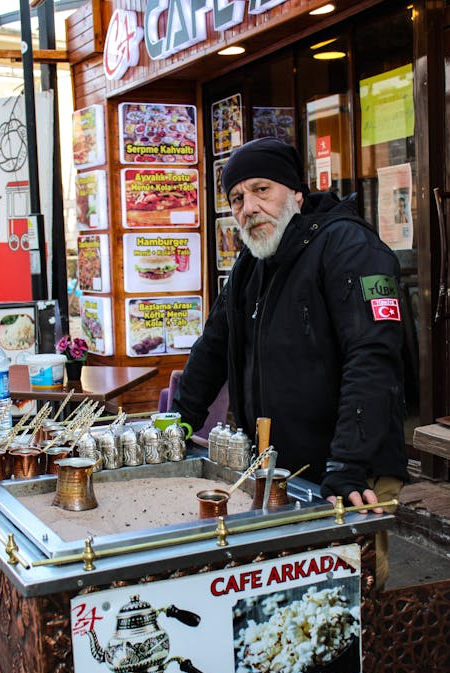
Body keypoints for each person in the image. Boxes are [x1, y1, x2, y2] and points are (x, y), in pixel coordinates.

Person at [172, 137, 408, 582]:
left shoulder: (350, 247)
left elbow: (373, 357)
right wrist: (179, 421)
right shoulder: (252, 262)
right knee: (288, 605)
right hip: (280, 473)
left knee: (353, 606)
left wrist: (348, 465)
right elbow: (213, 346)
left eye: (263, 190)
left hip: (350, 475)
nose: (249, 207)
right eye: (237, 198)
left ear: (296, 194)